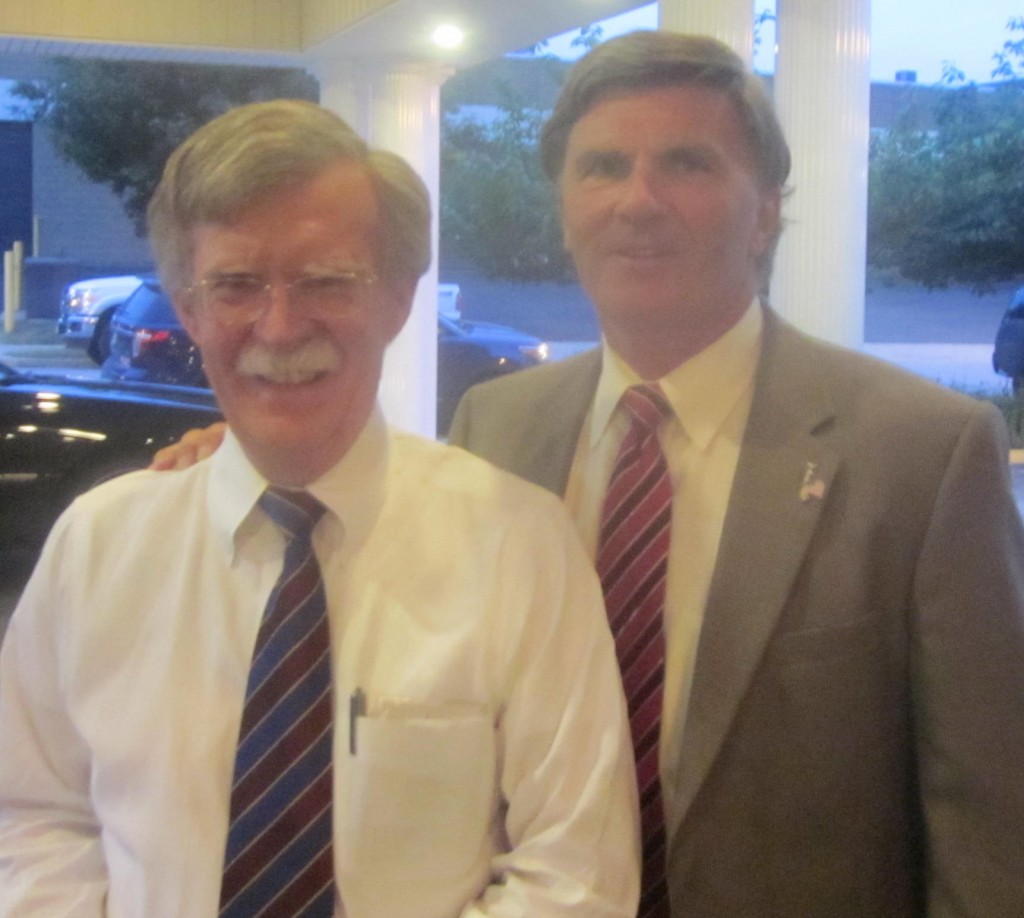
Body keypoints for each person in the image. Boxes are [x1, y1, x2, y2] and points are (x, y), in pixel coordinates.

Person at [146, 33, 1024, 916]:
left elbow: (989, 817)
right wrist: (252, 468)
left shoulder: (924, 453)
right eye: (601, 166)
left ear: (765, 209)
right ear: (564, 207)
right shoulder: (496, 426)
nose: (638, 201)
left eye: (686, 163)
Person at [0, 99, 640, 917]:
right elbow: (36, 820)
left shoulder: (520, 545)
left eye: (326, 280)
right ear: (188, 305)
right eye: (235, 283)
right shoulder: (96, 548)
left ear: (400, 300)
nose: (279, 324)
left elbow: (575, 874)